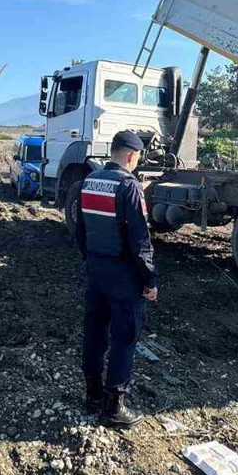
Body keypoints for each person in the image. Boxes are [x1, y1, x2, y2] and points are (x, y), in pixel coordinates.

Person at [74, 130, 157, 429]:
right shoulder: (129, 186)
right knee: (124, 338)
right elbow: (139, 240)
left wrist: (90, 260)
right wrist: (149, 280)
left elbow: (81, 230)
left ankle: (92, 394)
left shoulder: (88, 181)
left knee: (95, 332)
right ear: (132, 155)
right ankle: (113, 408)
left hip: (95, 269)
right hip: (123, 276)